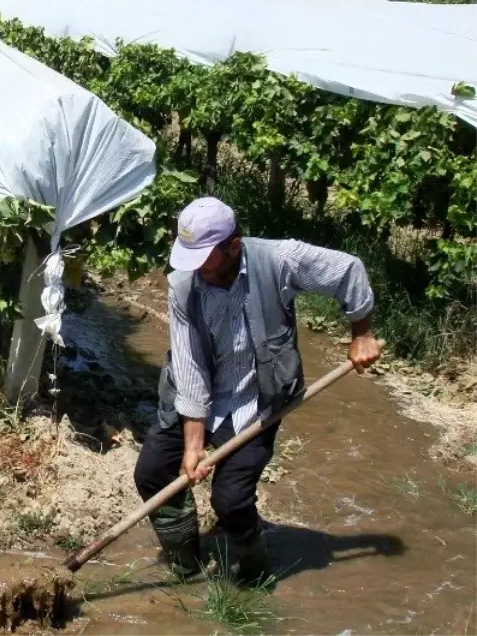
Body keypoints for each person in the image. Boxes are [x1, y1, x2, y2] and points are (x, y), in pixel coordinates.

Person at [133, 196, 383, 585]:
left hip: (256, 400)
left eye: (205, 260)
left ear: (233, 246)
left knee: (230, 501)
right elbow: (190, 364)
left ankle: (252, 574)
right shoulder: (182, 284)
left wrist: (361, 334)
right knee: (151, 473)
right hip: (198, 397)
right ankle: (185, 561)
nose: (197, 271)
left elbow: (348, 270)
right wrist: (193, 446)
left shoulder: (279, 260)